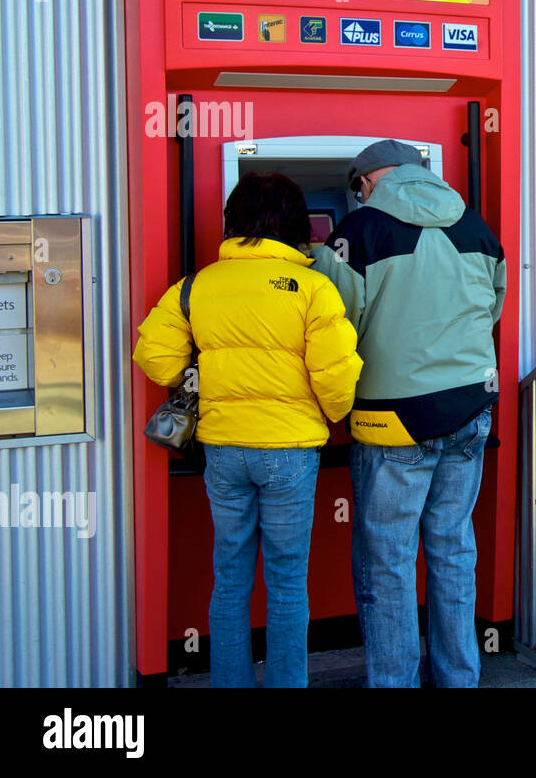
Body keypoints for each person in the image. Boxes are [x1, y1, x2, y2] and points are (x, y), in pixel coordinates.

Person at [134, 172, 362, 686]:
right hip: (289, 451)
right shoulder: (313, 287)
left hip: (223, 449)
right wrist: (331, 412)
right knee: (287, 582)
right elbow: (337, 375)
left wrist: (198, 372)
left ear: (233, 222)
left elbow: (154, 357)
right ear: (298, 224)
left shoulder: (198, 284)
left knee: (230, 577)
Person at [310, 140, 505, 688]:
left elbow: (332, 322)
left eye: (358, 188)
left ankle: (393, 681)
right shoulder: (474, 225)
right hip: (470, 407)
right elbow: (493, 305)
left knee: (388, 560)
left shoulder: (359, 231)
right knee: (452, 548)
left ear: (368, 180)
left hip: (392, 417)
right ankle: (458, 676)